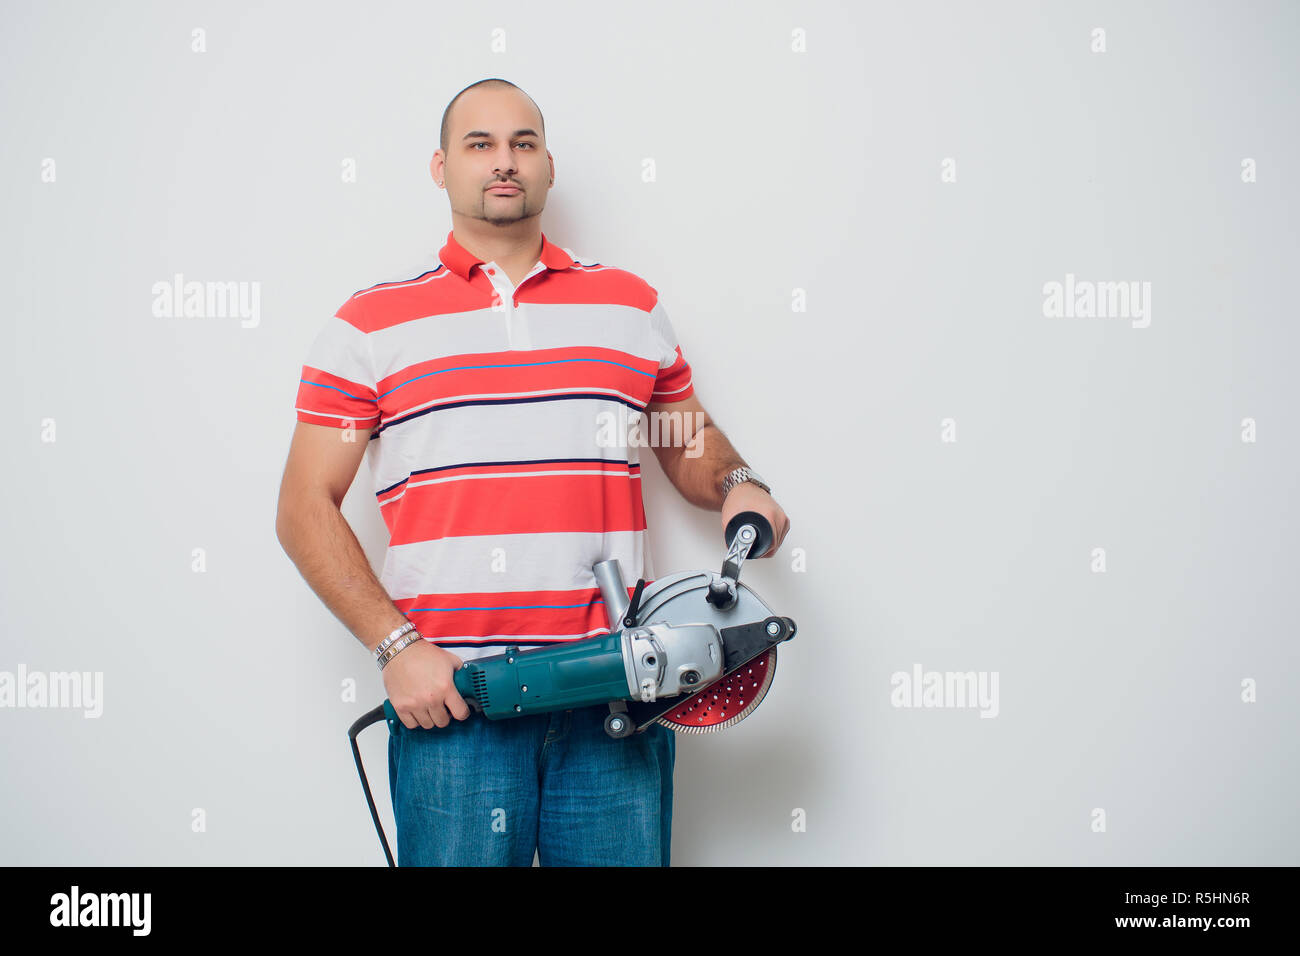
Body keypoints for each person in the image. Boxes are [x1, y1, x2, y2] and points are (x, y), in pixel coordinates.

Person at [275, 77, 790, 866]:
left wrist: (736, 483)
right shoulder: (369, 326)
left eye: (523, 143)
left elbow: (687, 438)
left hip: (622, 690)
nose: (503, 161)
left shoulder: (627, 306)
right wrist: (396, 648)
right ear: (441, 167)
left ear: (549, 165)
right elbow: (304, 506)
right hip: (455, 703)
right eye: (479, 144)